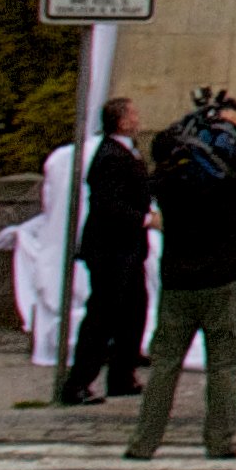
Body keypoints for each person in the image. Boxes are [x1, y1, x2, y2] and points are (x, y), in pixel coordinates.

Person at [128, 97, 236, 461]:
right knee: (224, 367)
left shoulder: (168, 187)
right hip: (223, 279)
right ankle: (220, 440)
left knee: (165, 366)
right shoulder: (228, 185)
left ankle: (144, 441)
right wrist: (233, 124)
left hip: (178, 280)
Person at [58, 99, 151, 406]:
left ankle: (122, 375)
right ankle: (79, 381)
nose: (138, 118)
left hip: (128, 247)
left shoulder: (125, 152)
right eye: (133, 113)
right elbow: (108, 204)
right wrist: (145, 218)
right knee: (103, 315)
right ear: (122, 121)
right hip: (112, 248)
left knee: (133, 309)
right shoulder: (112, 156)